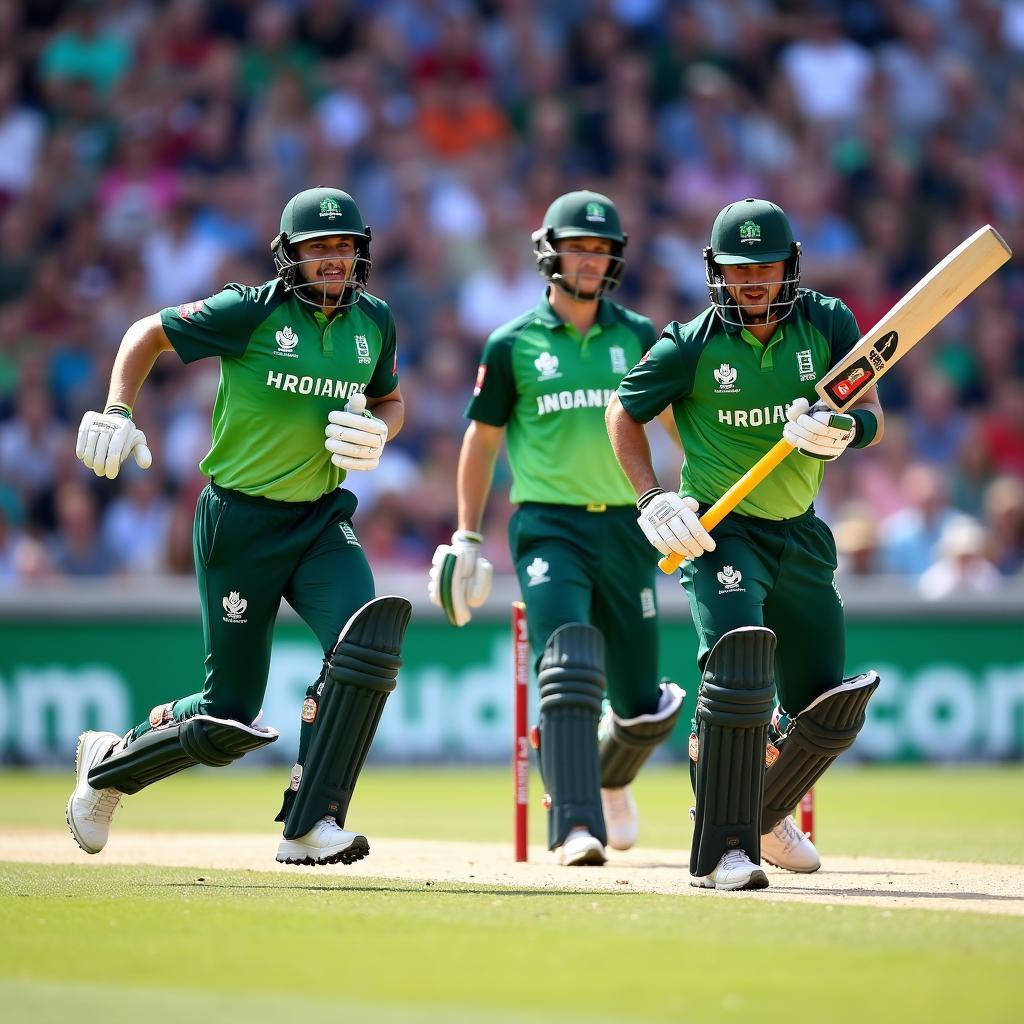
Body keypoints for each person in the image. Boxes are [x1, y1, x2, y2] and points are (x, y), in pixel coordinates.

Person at [66, 186, 411, 867]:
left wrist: (381, 429)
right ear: (290, 256)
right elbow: (147, 333)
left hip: (319, 519)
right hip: (239, 521)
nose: (334, 261)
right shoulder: (249, 312)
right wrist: (117, 409)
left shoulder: (375, 321)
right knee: (228, 716)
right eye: (319, 249)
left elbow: (390, 398)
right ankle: (107, 764)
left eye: (345, 247)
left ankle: (311, 822)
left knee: (366, 645)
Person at [606, 198, 884, 890]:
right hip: (720, 531)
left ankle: (767, 812)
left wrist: (847, 431)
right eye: (737, 269)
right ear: (716, 273)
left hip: (801, 531)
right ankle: (723, 842)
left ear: (790, 266)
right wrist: (652, 497)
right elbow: (623, 412)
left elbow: (872, 410)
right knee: (737, 674)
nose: (752, 280)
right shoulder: (691, 343)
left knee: (825, 706)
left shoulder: (828, 322)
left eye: (764, 266)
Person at [429, 191, 683, 866]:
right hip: (549, 527)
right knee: (567, 663)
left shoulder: (637, 335)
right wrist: (467, 534)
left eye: (602, 251)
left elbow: (679, 425)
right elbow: (481, 442)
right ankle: (576, 824)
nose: (592, 262)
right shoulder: (512, 343)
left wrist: (694, 494)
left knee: (642, 707)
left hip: (631, 528)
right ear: (550, 252)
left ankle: (612, 774)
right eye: (580, 248)